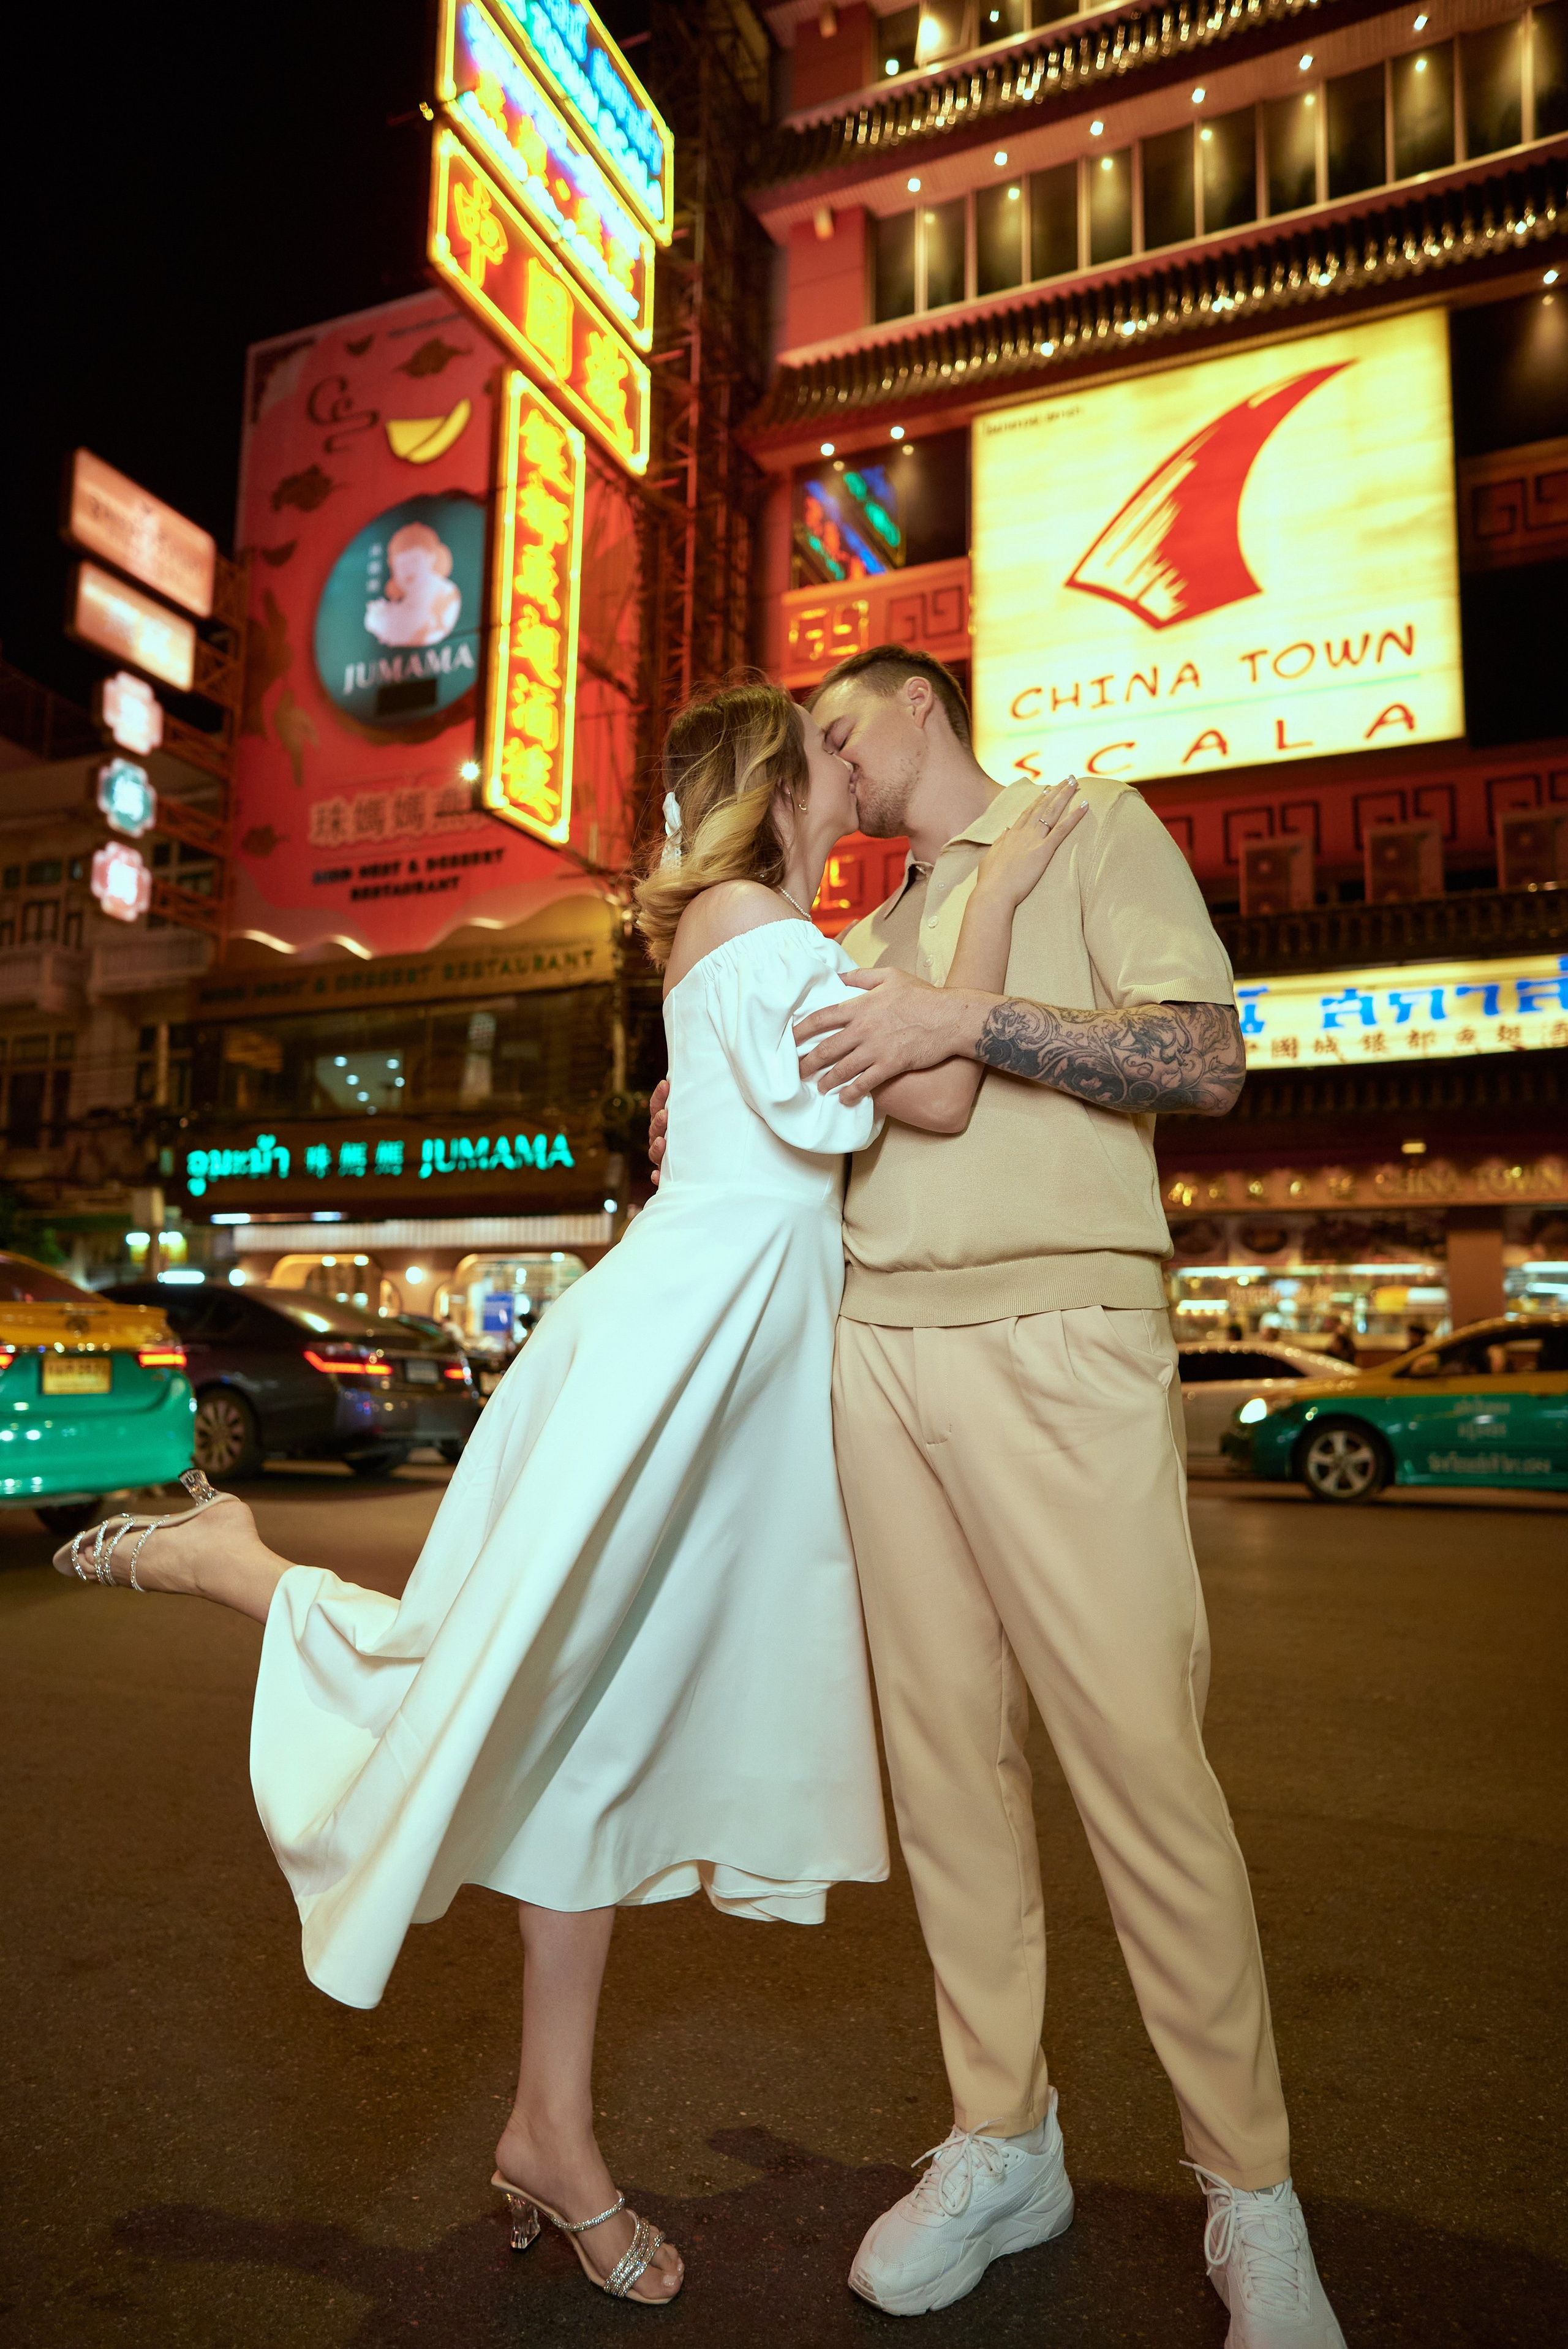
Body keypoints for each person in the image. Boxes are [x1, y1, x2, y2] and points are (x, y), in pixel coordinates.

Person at [52, 680, 1083, 2311]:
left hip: (698, 1367)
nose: (850, 764)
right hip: (672, 1369)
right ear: (778, 787)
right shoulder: (761, 928)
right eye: (824, 749)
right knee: (501, 1677)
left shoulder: (755, 938)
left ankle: (550, 2126)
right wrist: (1004, 891)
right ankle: (238, 1565)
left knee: (586, 1739)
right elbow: (941, 1094)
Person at [653, 646, 1345, 2347]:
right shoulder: (856, 932)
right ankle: (1002, 2139)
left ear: (919, 704)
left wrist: (971, 1016)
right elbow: (819, 1127)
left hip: (1062, 1327)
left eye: (836, 730)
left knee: (1141, 1768)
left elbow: (1205, 1059)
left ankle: (1251, 2188)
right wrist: (711, 1100)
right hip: (874, 1352)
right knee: (948, 1778)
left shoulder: (1082, 824)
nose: (827, 768)